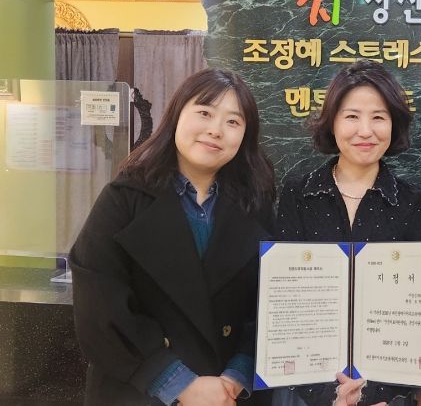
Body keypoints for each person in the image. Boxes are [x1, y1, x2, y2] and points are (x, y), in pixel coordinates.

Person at [70, 69, 275, 406]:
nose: (216, 130)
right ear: (177, 114)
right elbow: (99, 307)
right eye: (205, 112)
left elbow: (270, 301)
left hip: (230, 394)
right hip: (141, 390)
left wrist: (238, 374)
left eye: (233, 122)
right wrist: (179, 383)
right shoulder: (123, 198)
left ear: (245, 135)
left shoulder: (256, 205)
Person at [273, 59, 421, 406]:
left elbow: (417, 315)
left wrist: (374, 396)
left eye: (378, 117)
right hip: (306, 386)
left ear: (394, 124)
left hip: (388, 393)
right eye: (351, 116)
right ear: (332, 122)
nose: (365, 131)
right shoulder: (298, 194)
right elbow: (286, 301)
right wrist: (328, 397)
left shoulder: (412, 201)